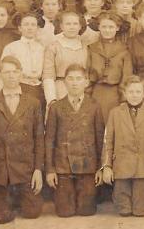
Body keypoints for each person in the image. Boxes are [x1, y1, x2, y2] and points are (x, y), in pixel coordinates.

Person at [0, 56, 44, 223]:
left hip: (24, 168)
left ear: (20, 74)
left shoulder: (33, 103)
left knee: (32, 212)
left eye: (14, 72)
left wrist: (38, 170)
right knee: (0, 217)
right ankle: (4, 202)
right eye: (7, 72)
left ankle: (16, 199)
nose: (11, 76)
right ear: (0, 75)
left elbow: (39, 138)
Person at [44, 64, 105, 217]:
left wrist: (100, 168)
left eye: (79, 79)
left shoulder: (94, 106)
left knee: (87, 211)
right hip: (64, 168)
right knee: (65, 212)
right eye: (70, 79)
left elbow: (100, 140)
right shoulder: (56, 107)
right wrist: (50, 170)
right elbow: (49, 140)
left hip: (87, 167)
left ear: (86, 82)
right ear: (64, 82)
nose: (74, 83)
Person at [100, 76, 144, 217]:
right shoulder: (115, 113)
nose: (134, 95)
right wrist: (107, 167)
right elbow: (107, 141)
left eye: (138, 92)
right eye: (131, 92)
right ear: (125, 93)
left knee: (141, 211)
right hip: (121, 167)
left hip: (143, 167)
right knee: (124, 211)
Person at [87, 12, 133, 118]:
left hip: (115, 94)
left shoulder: (124, 50)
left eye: (111, 27)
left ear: (117, 28)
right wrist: (87, 96)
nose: (107, 30)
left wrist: (123, 99)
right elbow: (87, 73)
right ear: (99, 27)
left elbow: (126, 76)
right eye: (104, 26)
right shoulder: (92, 48)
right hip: (96, 93)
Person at [0, 11, 46, 109]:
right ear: (20, 28)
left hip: (38, 89)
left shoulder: (42, 48)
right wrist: (0, 93)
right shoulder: (12, 47)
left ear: (37, 28)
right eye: (26, 24)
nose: (30, 28)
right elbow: (1, 73)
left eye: (33, 25)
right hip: (18, 87)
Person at [42, 11, 88, 106]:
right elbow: (48, 75)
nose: (72, 27)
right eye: (68, 24)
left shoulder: (85, 47)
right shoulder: (53, 47)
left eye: (75, 24)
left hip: (81, 91)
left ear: (80, 26)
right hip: (60, 90)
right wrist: (51, 99)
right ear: (62, 26)